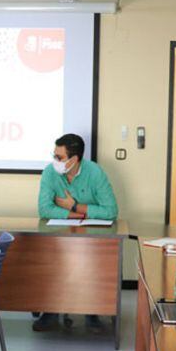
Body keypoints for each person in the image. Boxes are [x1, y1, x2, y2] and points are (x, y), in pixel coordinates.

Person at [34, 133, 118, 332]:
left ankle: (93, 312)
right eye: (54, 155)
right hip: (59, 233)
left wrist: (76, 206)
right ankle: (50, 310)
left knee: (95, 259)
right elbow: (44, 209)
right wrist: (74, 214)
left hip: (93, 236)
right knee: (47, 257)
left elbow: (111, 211)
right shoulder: (49, 172)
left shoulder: (95, 172)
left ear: (75, 159)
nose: (55, 161)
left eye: (60, 157)